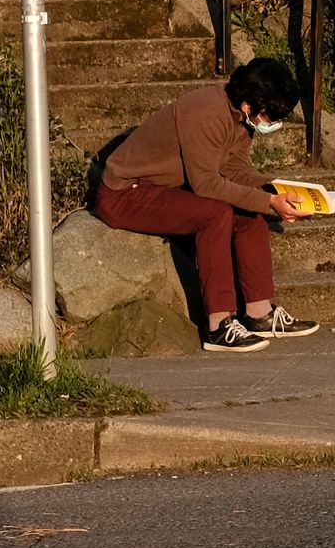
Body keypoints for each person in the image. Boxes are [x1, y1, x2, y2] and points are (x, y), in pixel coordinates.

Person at [93, 57, 322, 352]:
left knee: (248, 211)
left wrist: (277, 192)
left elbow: (235, 170)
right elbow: (207, 184)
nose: (273, 124)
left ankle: (259, 313)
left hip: (164, 189)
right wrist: (269, 202)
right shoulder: (204, 112)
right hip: (125, 193)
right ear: (249, 106)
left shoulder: (241, 115)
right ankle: (218, 324)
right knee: (215, 214)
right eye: (270, 117)